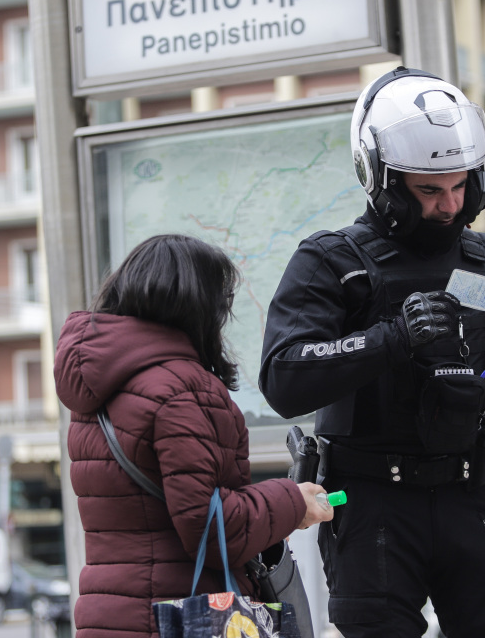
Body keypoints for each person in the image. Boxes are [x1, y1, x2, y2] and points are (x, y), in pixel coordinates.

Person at [259, 67, 485, 637]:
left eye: (460, 186)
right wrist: (392, 338)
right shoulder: (332, 261)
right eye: (429, 190)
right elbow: (282, 377)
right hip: (373, 502)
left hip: (471, 493)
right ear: (380, 178)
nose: (449, 205)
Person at [55, 233, 334, 638]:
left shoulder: (97, 393)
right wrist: (293, 501)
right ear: (201, 306)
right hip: (178, 618)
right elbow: (215, 527)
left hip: (107, 616)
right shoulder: (182, 388)